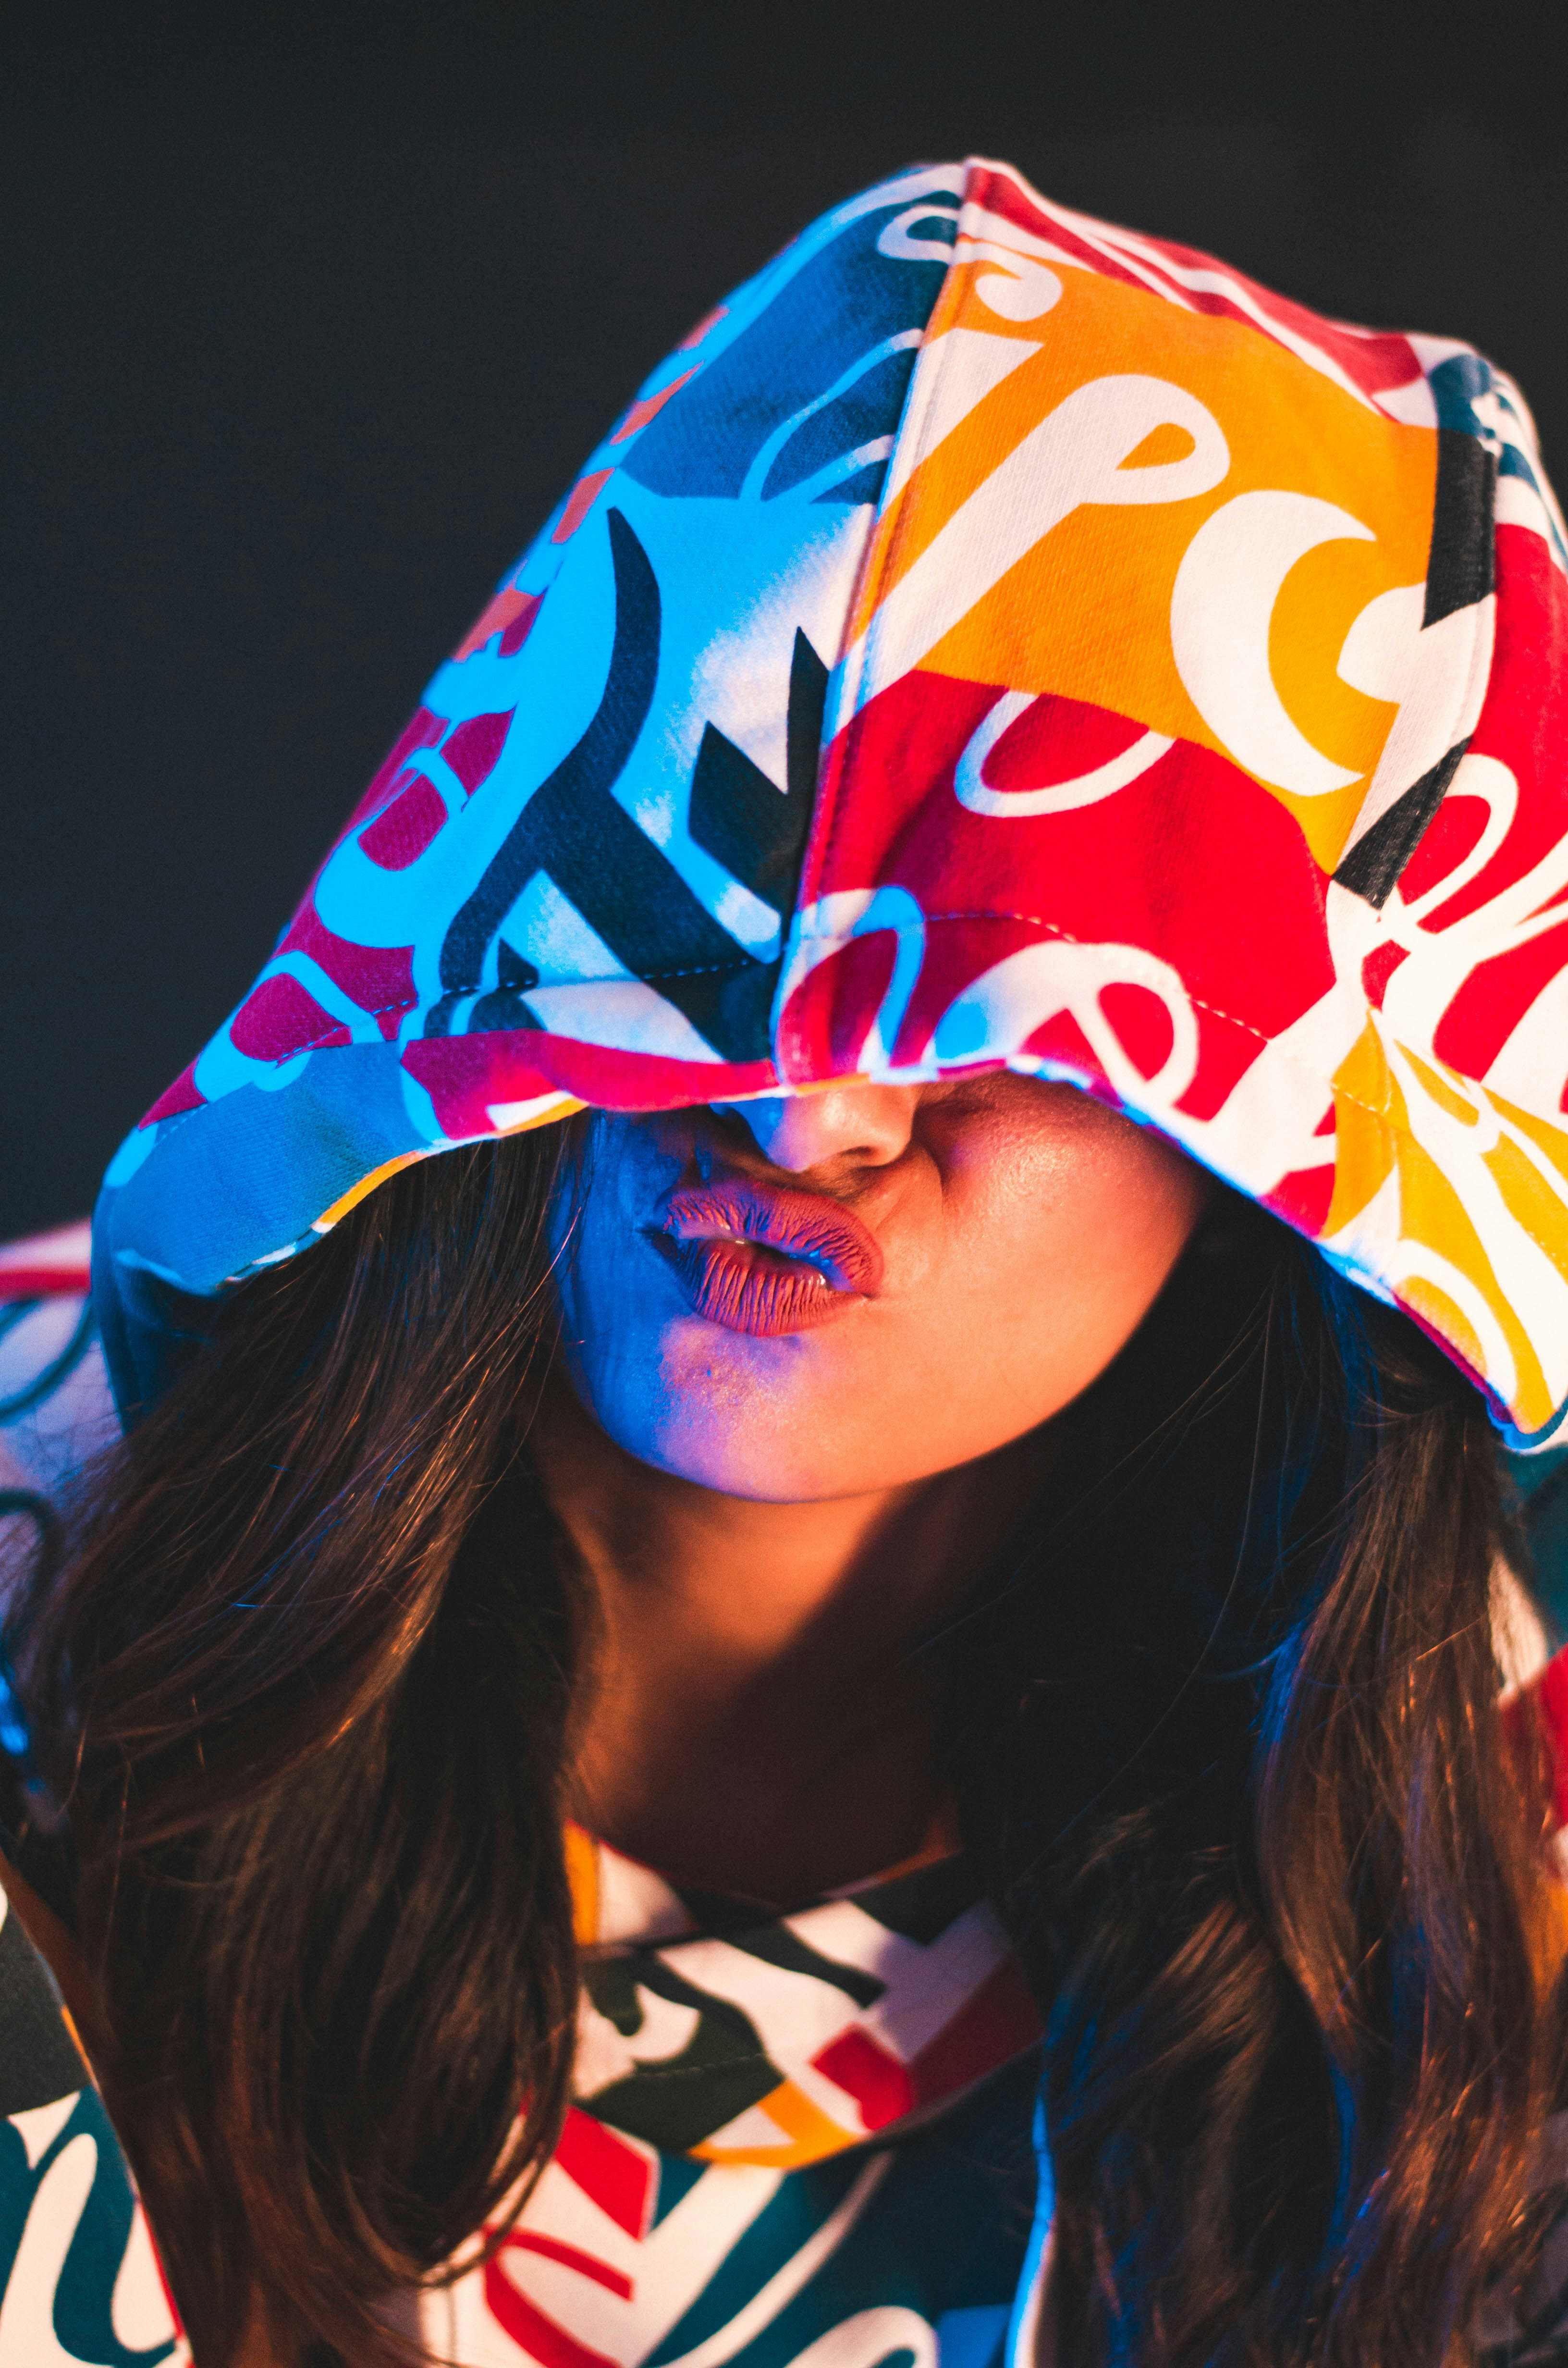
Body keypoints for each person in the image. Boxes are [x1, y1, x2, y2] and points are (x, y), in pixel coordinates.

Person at [4, 154, 1568, 2368]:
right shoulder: (55, 1580)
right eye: (699, 908)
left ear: (1304, 1146)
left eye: (1007, 992)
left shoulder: (1476, 1842)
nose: (809, 1112)